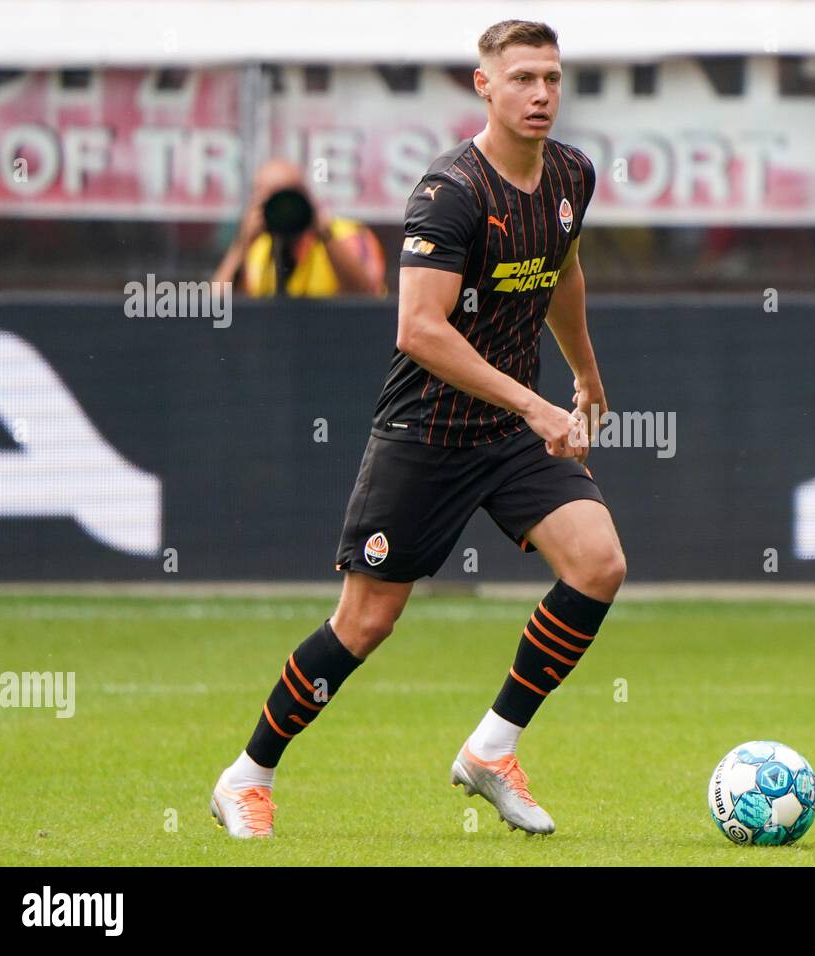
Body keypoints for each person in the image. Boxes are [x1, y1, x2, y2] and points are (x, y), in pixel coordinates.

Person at [210, 19, 625, 837]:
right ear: (484, 86)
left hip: (508, 431)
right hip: (427, 430)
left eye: (551, 77)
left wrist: (583, 371)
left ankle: (491, 750)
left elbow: (564, 271)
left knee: (599, 564)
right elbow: (419, 330)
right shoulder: (452, 192)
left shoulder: (573, 173)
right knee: (365, 622)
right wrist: (538, 406)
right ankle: (246, 776)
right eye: (522, 79)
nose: (540, 94)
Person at [212, 158, 385, 296]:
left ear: (306, 196)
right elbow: (216, 309)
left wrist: (325, 234)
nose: (284, 210)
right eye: (273, 201)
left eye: (289, 197)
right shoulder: (255, 249)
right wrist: (242, 244)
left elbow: (365, 294)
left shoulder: (348, 235)